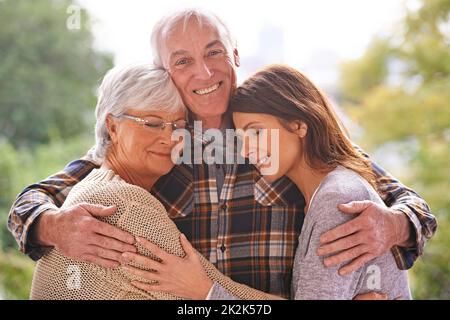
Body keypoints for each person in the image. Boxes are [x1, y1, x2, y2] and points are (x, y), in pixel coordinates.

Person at [8, 9, 436, 299]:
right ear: (165, 72)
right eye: (183, 61)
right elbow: (34, 200)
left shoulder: (279, 130)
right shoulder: (156, 146)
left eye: (214, 52)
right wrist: (51, 226)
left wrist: (395, 225)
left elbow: (409, 205)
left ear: (234, 55)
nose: (204, 72)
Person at [124, 65, 411, 300]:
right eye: (241, 138)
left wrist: (204, 291)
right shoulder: (327, 190)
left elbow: (413, 205)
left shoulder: (337, 200)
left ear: (299, 124)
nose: (247, 150)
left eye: (257, 133)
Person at [30, 63, 280, 300]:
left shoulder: (95, 184)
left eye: (178, 126)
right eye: (152, 124)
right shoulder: (124, 205)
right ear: (113, 127)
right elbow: (220, 296)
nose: (170, 138)